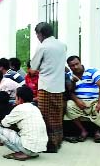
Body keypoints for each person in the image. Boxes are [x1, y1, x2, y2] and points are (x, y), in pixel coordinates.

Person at [31, 22, 67, 153]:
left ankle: (49, 144)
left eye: (37, 34)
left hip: (46, 85)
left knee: (45, 115)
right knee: (57, 114)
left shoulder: (43, 47)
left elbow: (33, 67)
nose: (37, 37)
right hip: (59, 86)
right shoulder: (62, 45)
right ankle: (58, 140)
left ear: (41, 34)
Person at [0, 86, 48, 161]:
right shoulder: (35, 108)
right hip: (39, 149)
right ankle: (28, 152)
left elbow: (4, 123)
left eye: (16, 97)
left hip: (28, 148)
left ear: (20, 99)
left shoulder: (19, 108)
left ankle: (23, 153)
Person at [64, 55, 100, 143]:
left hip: (94, 100)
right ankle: (83, 131)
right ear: (69, 66)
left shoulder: (92, 71)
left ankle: (97, 132)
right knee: (69, 105)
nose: (75, 67)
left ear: (80, 62)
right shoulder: (69, 75)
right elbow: (70, 91)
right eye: (72, 66)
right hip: (79, 102)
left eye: (77, 64)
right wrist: (77, 100)